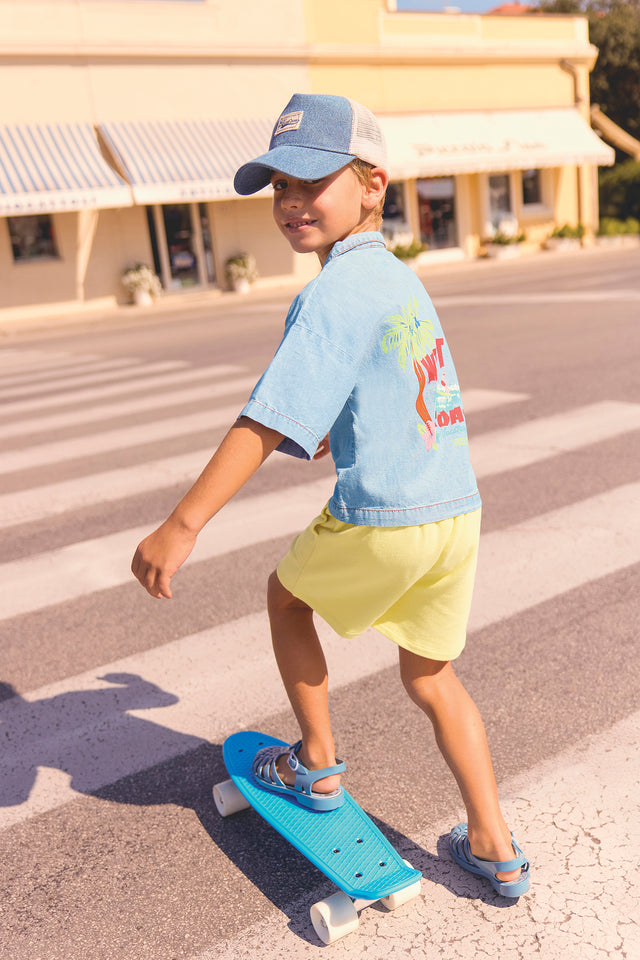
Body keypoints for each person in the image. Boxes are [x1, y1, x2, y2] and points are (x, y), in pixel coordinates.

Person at [131, 93, 530, 898]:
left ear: (372, 185)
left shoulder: (331, 293)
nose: (289, 202)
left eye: (311, 183)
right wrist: (337, 430)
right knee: (430, 677)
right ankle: (495, 846)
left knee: (284, 599)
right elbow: (400, 388)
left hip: (389, 513)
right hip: (454, 510)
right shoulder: (395, 280)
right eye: (278, 185)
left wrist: (183, 523)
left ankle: (315, 766)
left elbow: (265, 416)